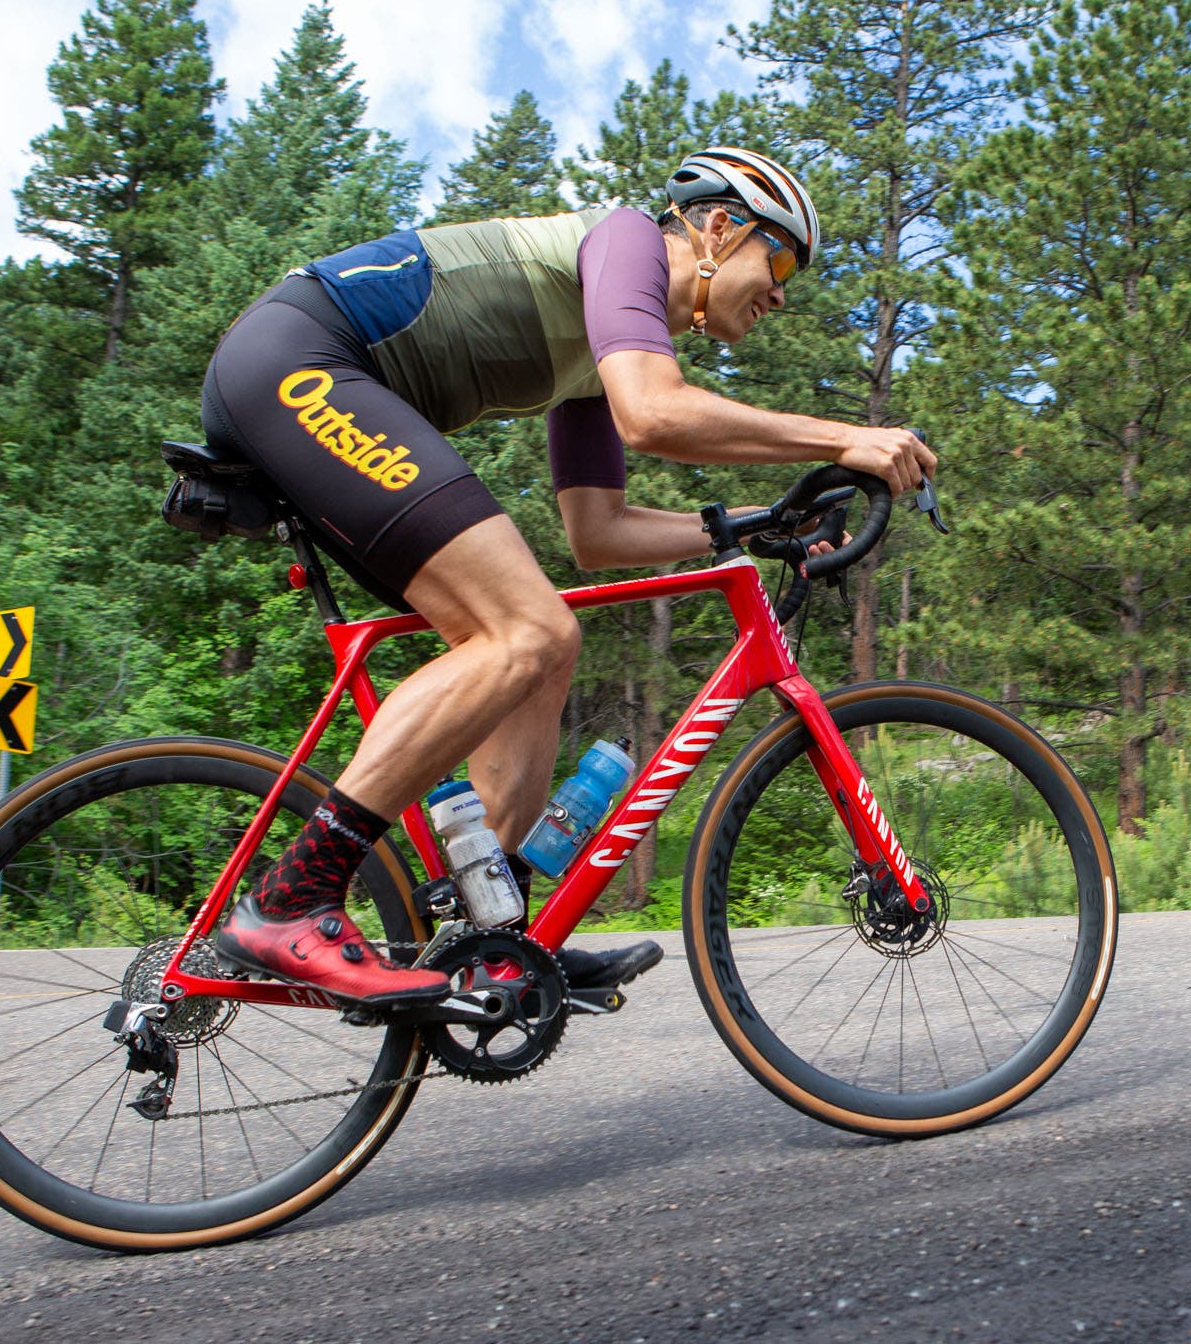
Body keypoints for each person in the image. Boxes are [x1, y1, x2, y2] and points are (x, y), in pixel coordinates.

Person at [199, 147, 937, 1006]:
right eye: (779, 265)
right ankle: (291, 900)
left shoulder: (597, 344)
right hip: (297, 362)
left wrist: (750, 526)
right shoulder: (623, 240)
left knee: (543, 648)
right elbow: (653, 413)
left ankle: (489, 938)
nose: (780, 295)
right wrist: (845, 437)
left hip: (305, 379)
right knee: (526, 629)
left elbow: (597, 532)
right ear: (717, 228)